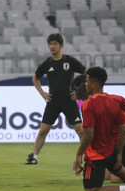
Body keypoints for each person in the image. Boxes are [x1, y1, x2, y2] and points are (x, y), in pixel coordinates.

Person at [72, 67, 125, 191]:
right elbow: (123, 130)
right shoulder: (113, 101)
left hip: (95, 155)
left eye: (86, 81)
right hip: (111, 151)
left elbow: (89, 135)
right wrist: (119, 153)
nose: (85, 84)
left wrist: (79, 153)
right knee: (120, 171)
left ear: (94, 84)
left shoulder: (88, 105)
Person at [25, 33, 85, 165]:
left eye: (55, 44)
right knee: (43, 130)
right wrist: (43, 93)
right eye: (50, 44)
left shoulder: (70, 61)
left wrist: (79, 92)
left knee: (80, 130)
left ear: (61, 46)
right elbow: (35, 78)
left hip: (69, 101)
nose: (52, 46)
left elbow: (87, 74)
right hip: (53, 102)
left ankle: (90, 156)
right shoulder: (47, 63)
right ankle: (34, 156)